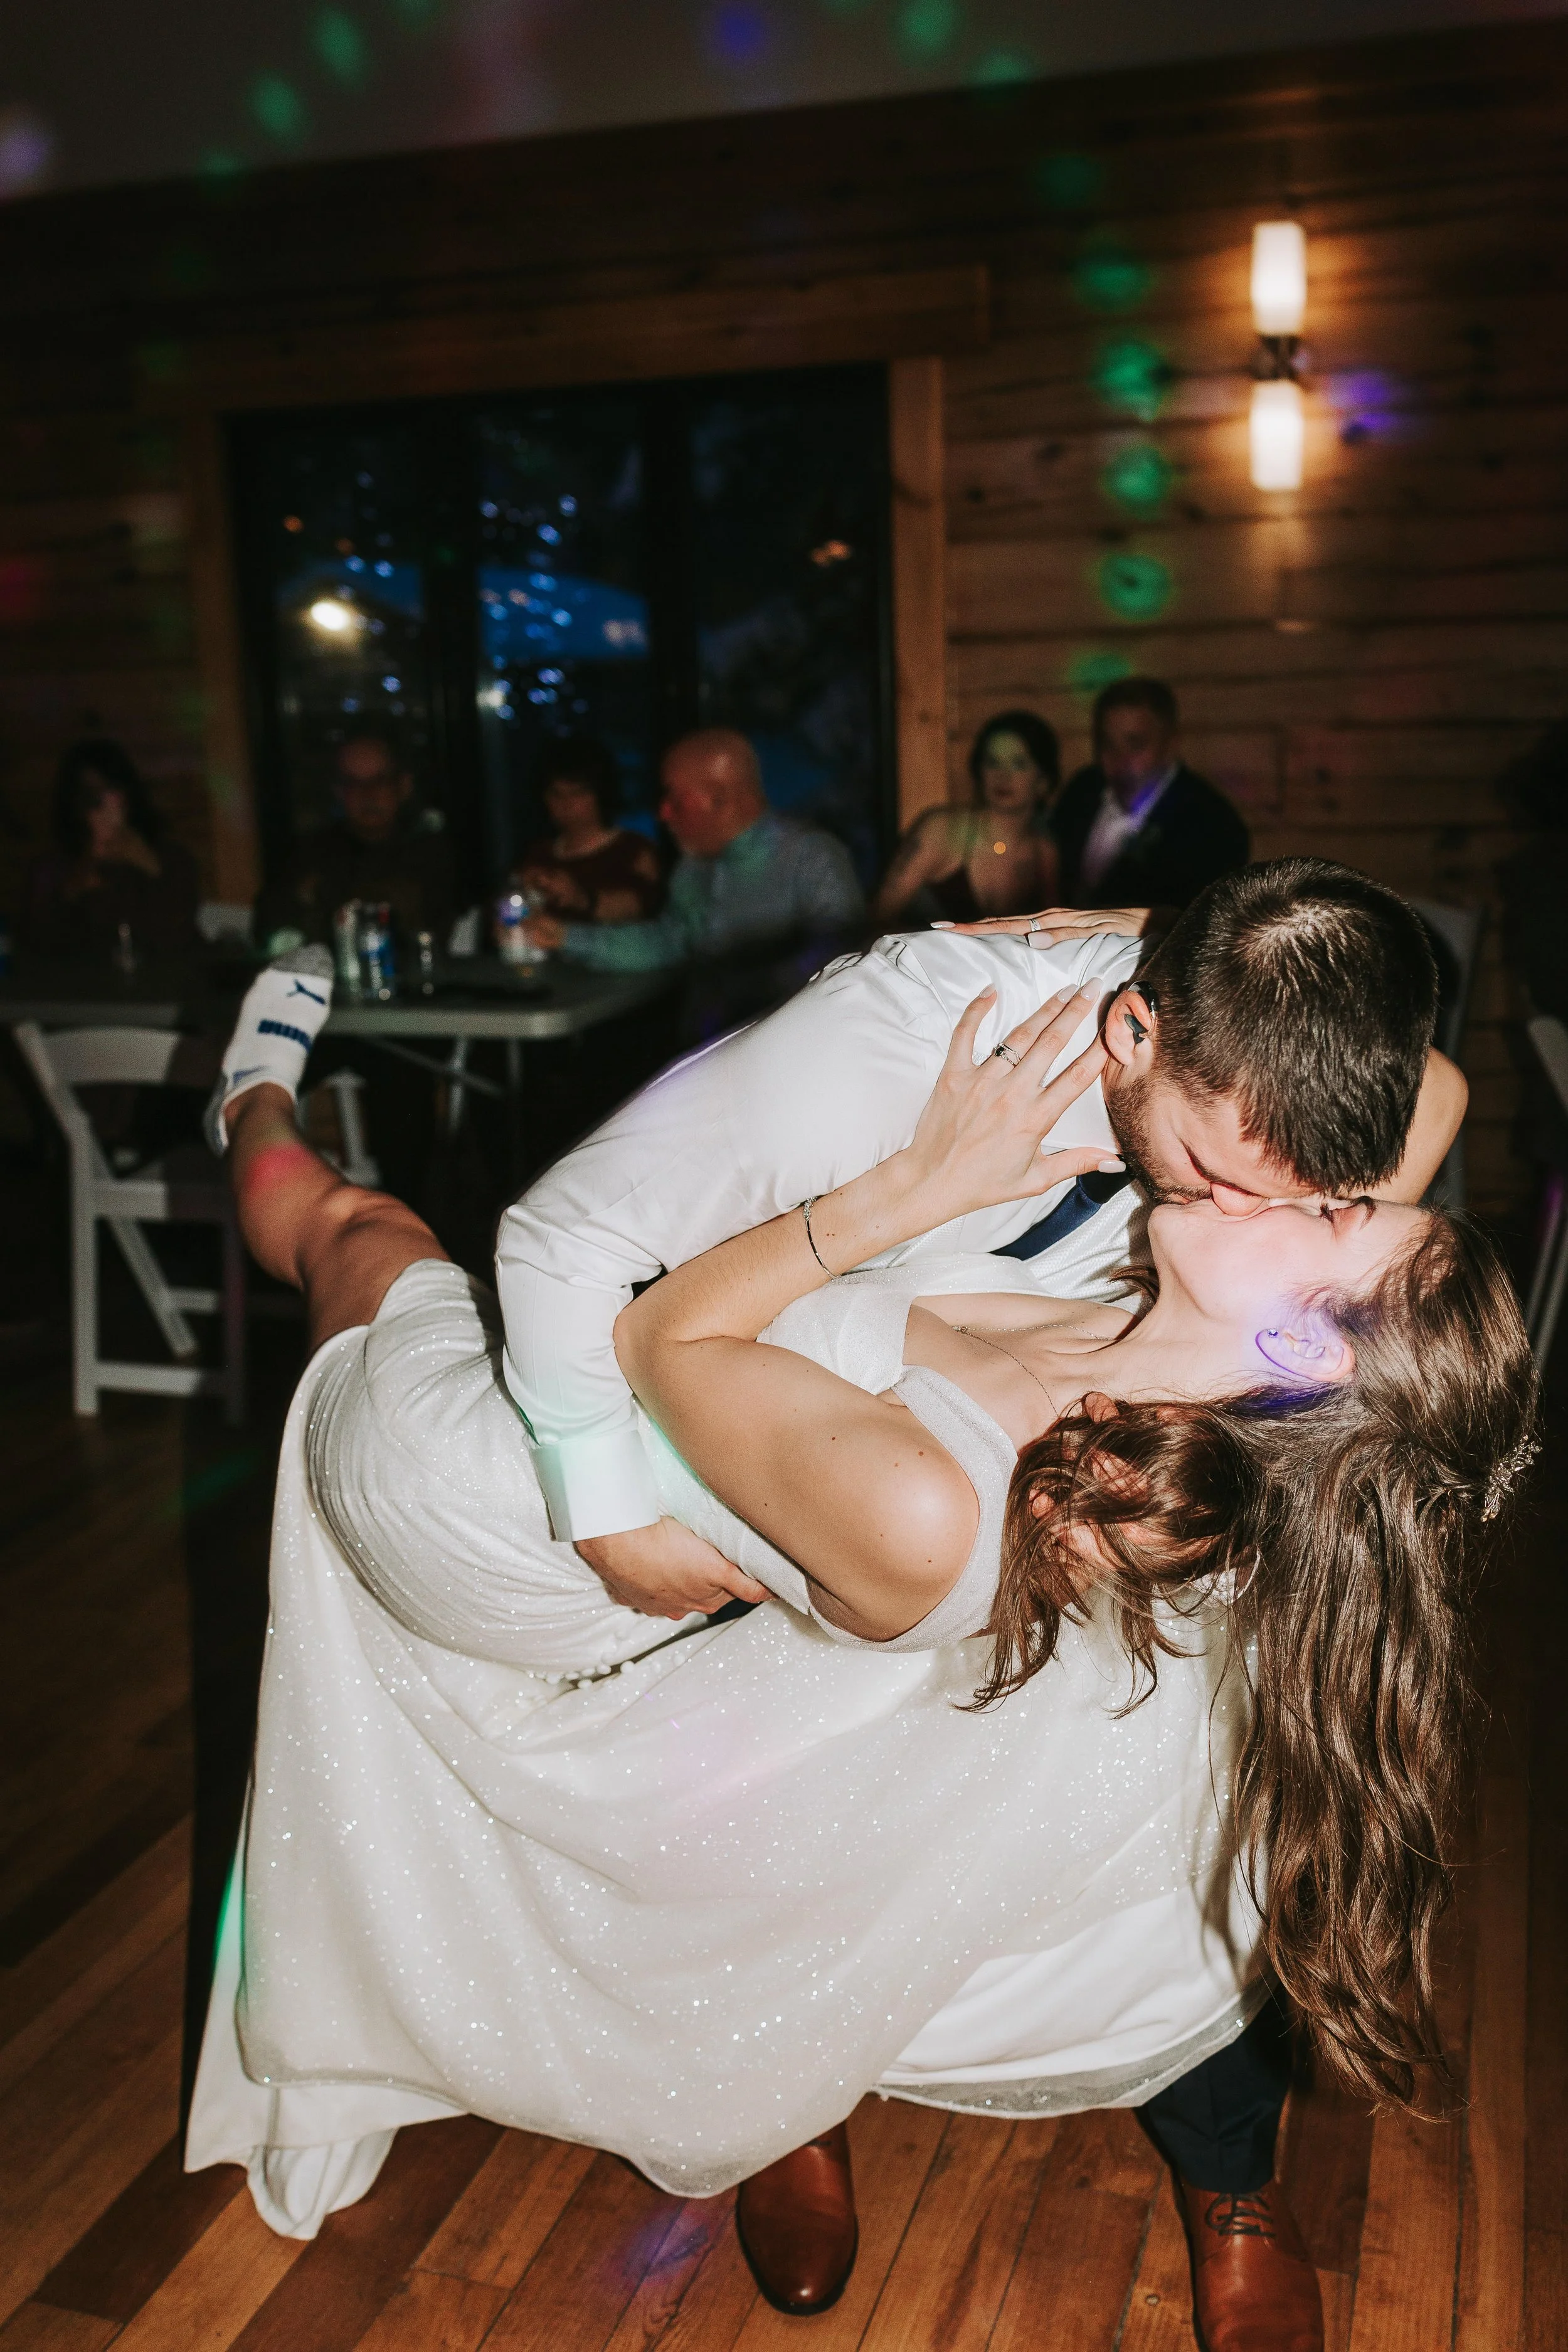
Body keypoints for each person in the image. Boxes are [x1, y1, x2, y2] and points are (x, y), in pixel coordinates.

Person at [184, 918, 1527, 2352]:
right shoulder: (1130, 1357)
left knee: (357, 1233)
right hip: (512, 1488)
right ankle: (252, 1091)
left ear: (1301, 1353)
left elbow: (658, 1343)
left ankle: (250, 1099)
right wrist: (1168, 949)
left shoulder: (951, 1508)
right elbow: (1424, 1090)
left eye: (1335, 1208)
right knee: (360, 1233)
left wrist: (915, 1186)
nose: (1321, 1183)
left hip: (489, 1509)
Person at [519, 728, 864, 1036]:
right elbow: (667, 941)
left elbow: (839, 958)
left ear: (721, 799)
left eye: (675, 799)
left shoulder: (813, 858)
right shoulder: (693, 868)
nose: (663, 813)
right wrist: (565, 936)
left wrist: (742, 991)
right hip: (705, 1056)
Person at [255, 722, 455, 955]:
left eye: (380, 781)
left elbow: (429, 931)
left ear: (404, 786)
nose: (368, 794)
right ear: (339, 792)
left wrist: (324, 897)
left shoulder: (432, 852)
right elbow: (270, 928)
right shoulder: (310, 852)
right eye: (353, 783)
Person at [1053, 677, 1249, 913]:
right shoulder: (1083, 790)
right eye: (1108, 745)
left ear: (1171, 744)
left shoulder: (1214, 825)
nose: (1120, 761)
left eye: (1135, 745)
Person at [870, 709, 1060, 929]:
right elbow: (876, 918)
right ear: (979, 771)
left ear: (1043, 781)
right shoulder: (941, 830)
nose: (1003, 776)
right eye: (993, 762)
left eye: (1018, 763)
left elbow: (1054, 934)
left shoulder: (1044, 852)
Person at [20, 738, 201, 965]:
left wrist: (151, 866)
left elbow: (180, 937)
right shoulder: (52, 869)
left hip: (162, 990)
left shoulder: (171, 858)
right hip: (85, 994)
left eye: (111, 792)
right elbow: (35, 948)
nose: (105, 809)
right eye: (92, 798)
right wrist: (75, 885)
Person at [510, 735, 664, 926]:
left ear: (601, 794)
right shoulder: (538, 855)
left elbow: (644, 909)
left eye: (578, 793)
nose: (566, 804)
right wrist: (519, 892)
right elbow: (508, 914)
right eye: (556, 794)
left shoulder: (633, 851)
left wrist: (581, 899)